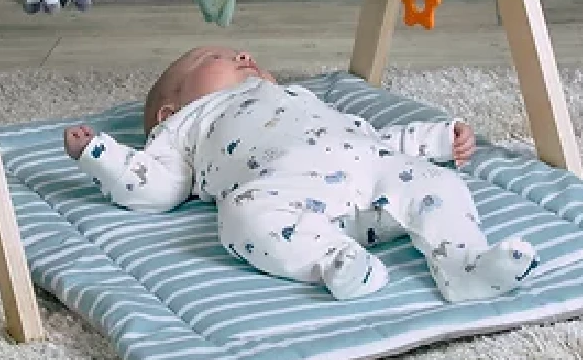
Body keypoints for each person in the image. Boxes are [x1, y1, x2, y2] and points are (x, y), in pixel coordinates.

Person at [62, 46, 538, 303]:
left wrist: (433, 141)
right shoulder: (183, 127)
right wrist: (102, 155)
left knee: (438, 184)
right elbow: (156, 188)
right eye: (213, 58)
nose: (243, 55)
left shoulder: (295, 95)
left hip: (369, 177)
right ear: (170, 109)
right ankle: (336, 261)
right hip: (287, 197)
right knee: (243, 215)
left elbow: (366, 135)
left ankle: (465, 265)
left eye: (244, 55)